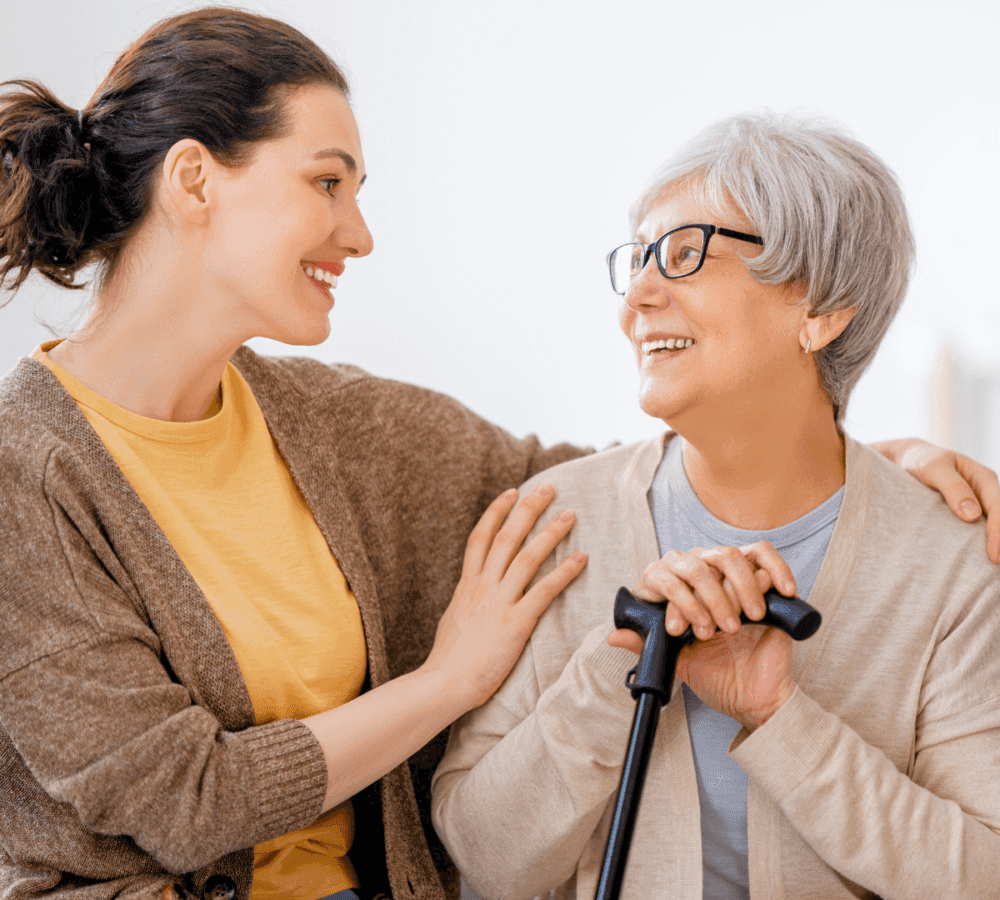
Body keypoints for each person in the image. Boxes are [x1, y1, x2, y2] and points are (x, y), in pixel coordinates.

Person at [0, 10, 994, 900]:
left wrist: (874, 457)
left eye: (682, 255)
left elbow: (627, 477)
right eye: (327, 183)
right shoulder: (24, 469)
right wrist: (449, 680)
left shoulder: (341, 425)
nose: (361, 232)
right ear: (193, 180)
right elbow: (184, 801)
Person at [431, 114, 1000, 899]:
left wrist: (779, 714)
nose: (638, 295)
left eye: (686, 252)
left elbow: (982, 875)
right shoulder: (555, 521)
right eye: (638, 259)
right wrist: (615, 670)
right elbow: (483, 862)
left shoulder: (953, 562)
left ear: (823, 309)